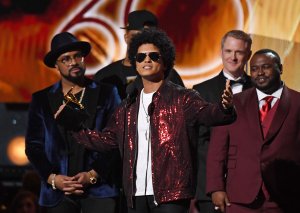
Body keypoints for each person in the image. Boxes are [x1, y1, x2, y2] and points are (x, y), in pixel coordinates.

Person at [72, 28, 236, 213]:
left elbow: (210, 114)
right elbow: (108, 141)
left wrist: (225, 107)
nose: (146, 60)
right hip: (135, 194)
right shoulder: (127, 106)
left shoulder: (183, 98)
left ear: (165, 62)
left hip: (171, 194)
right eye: (140, 57)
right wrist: (75, 126)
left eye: (153, 56)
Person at [25, 32, 121, 213]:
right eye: (66, 59)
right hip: (57, 193)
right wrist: (53, 178)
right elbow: (33, 146)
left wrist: (93, 175)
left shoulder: (107, 93)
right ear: (56, 64)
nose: (74, 62)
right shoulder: (42, 99)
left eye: (78, 56)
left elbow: (116, 140)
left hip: (99, 191)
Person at [206, 49, 300, 213]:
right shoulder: (233, 103)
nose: (260, 73)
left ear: (281, 68)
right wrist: (216, 188)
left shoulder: (297, 102)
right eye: (254, 69)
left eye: (266, 67)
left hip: (285, 197)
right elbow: (217, 150)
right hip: (238, 197)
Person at [192, 30, 253, 213]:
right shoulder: (201, 90)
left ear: (248, 55)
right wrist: (199, 189)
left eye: (239, 52)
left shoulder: (260, 89)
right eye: (228, 51)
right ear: (221, 52)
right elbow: (197, 141)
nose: (233, 57)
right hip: (207, 188)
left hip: (249, 184)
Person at [93, 9, 184, 99]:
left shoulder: (167, 74)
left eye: (147, 38)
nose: (140, 42)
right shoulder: (104, 76)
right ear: (126, 38)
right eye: (135, 37)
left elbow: (184, 108)